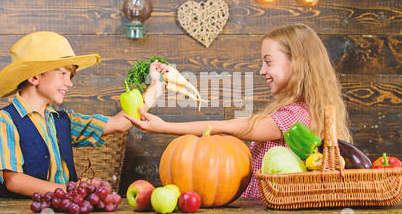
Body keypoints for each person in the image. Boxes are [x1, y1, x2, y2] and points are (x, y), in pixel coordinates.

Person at [124, 23, 353, 198]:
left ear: (298, 63)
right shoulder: (298, 110)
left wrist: (164, 127)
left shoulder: (297, 116)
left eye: (268, 61)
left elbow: (239, 127)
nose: (262, 71)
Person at [0, 31, 168, 198]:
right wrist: (72, 191)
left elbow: (119, 123)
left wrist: (154, 89)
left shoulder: (62, 120)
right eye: (62, 74)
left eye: (69, 76)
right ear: (34, 77)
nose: (69, 83)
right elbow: (14, 180)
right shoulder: (6, 120)